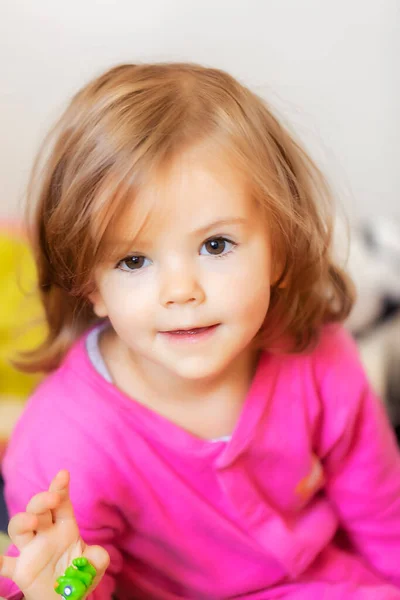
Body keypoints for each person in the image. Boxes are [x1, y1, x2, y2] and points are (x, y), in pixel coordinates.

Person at [0, 63, 399, 600]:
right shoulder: (63, 446)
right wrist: (61, 591)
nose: (181, 290)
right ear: (87, 284)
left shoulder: (320, 355)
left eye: (216, 246)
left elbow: (384, 519)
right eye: (134, 260)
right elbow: (75, 582)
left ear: (280, 251)